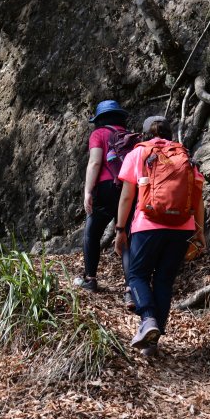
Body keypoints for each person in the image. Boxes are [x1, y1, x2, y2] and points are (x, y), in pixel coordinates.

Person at [113, 116, 199, 357]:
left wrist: (120, 230)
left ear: (143, 135)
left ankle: (148, 319)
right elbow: (197, 198)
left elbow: (127, 197)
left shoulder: (138, 154)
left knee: (137, 275)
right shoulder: (185, 156)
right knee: (163, 280)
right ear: (170, 135)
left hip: (148, 224)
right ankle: (152, 343)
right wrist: (199, 231)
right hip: (183, 227)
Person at [75, 99, 137, 297]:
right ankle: (130, 288)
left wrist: (87, 191)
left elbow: (94, 163)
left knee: (92, 232)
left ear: (99, 119)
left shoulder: (99, 134)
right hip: (128, 188)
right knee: (126, 235)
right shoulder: (130, 136)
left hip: (106, 188)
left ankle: (90, 279)